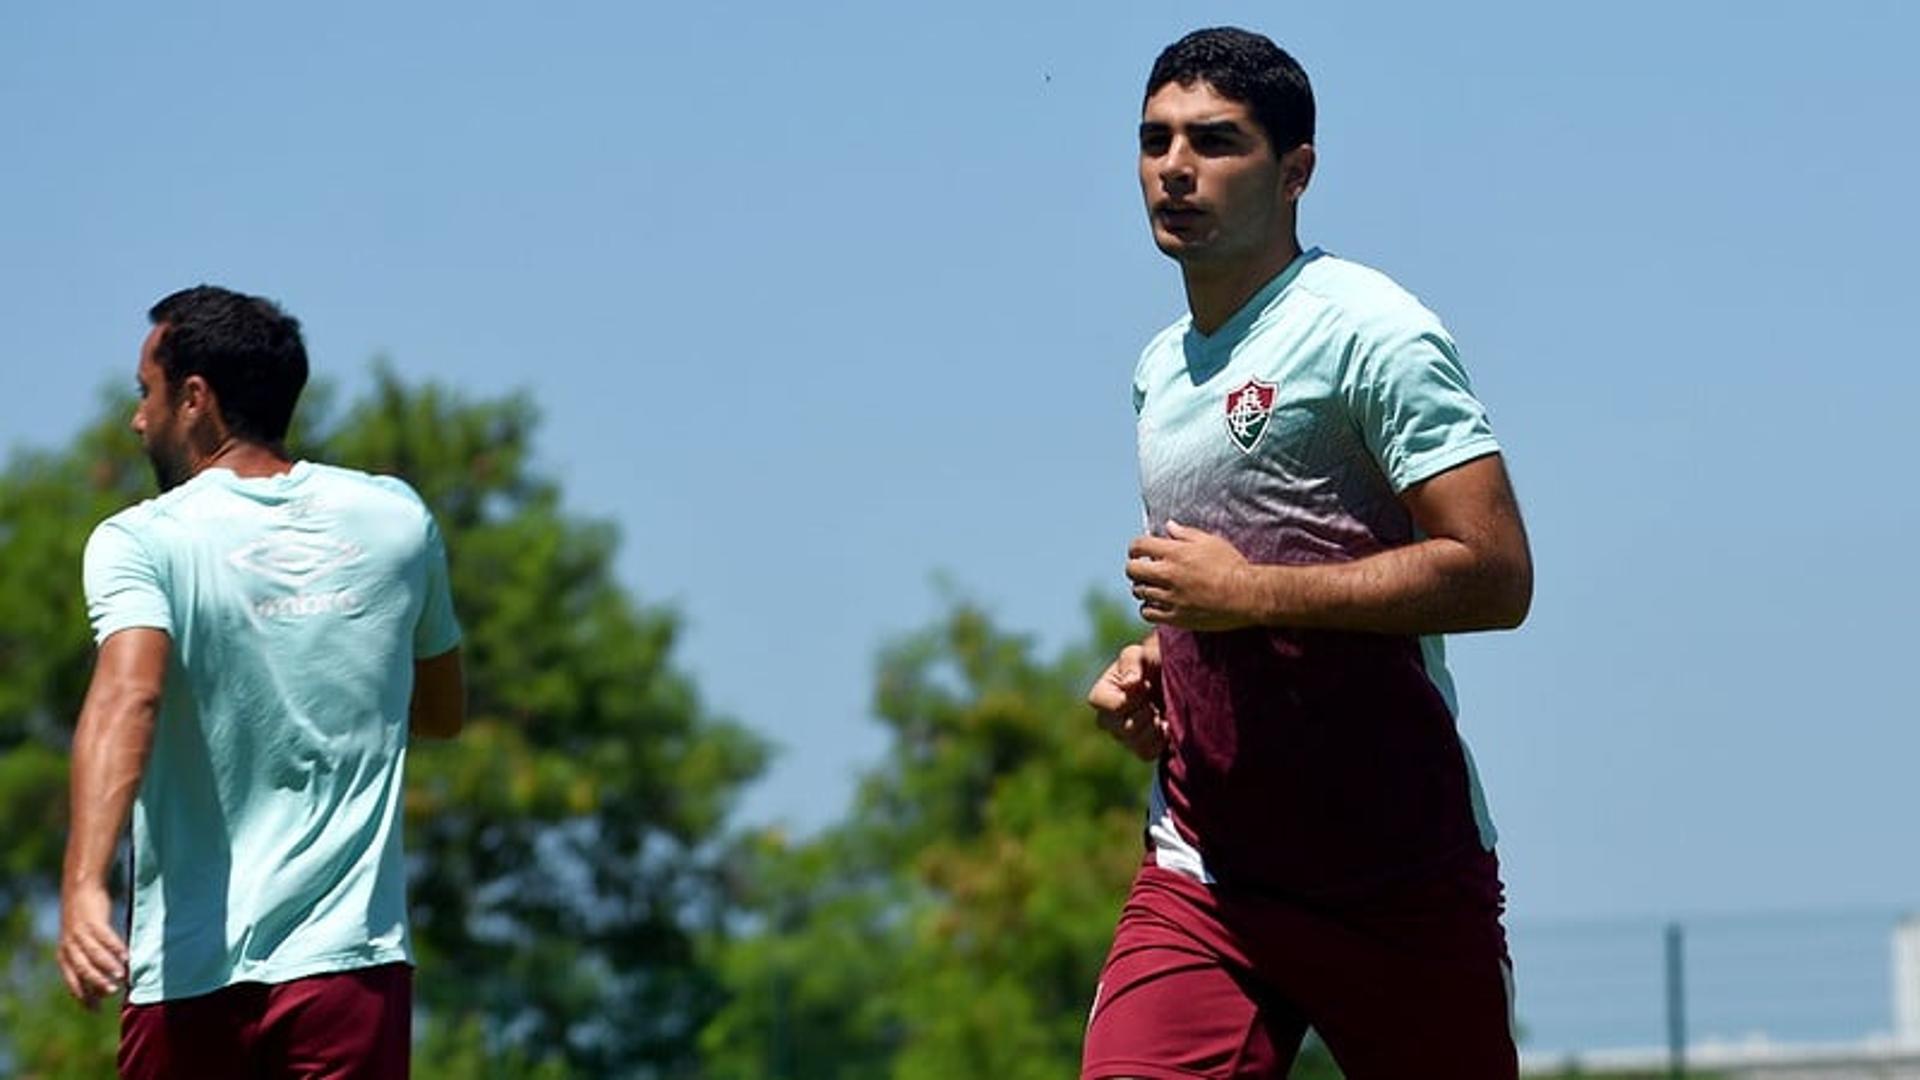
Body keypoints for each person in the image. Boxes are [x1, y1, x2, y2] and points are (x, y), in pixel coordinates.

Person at [1083, 28, 1535, 1080]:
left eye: (1216, 142)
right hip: (1206, 873)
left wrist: (1248, 594)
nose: (1174, 168)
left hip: (1397, 873)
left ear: (1297, 171)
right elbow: (1227, 592)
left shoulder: (1373, 332)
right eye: (1155, 141)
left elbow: (1496, 571)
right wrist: (1161, 658)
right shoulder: (1160, 371)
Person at [57, 285, 466, 1078]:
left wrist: (81, 886)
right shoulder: (396, 519)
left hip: (188, 976)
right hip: (353, 969)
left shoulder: (144, 539)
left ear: (195, 400)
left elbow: (127, 697)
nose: (138, 419)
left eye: (147, 393)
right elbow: (443, 711)